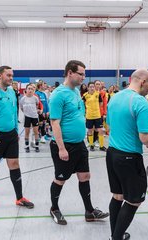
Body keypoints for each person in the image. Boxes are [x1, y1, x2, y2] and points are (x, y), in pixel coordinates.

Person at [48, 60, 109, 225]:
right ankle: (54, 208)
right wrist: (61, 148)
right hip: (64, 145)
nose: (83, 77)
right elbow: (55, 123)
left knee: (84, 176)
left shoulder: (75, 92)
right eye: (80, 74)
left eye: (83, 74)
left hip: (79, 144)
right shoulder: (58, 95)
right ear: (70, 73)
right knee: (60, 179)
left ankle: (89, 212)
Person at [106, 69, 148, 240]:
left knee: (118, 196)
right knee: (134, 200)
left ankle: (115, 234)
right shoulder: (141, 103)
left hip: (112, 154)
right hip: (129, 157)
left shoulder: (114, 98)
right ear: (142, 81)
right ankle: (116, 237)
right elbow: (145, 139)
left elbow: (110, 126)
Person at [0, 66, 34, 208]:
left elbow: (14, 112)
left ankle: (19, 198)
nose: (11, 78)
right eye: (8, 75)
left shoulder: (11, 91)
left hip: (11, 135)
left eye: (12, 75)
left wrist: (16, 131)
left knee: (14, 164)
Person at [82, 81, 107, 151]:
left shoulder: (98, 94)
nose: (92, 88)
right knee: (90, 130)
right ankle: (91, 145)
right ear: (88, 88)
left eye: (93, 87)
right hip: (89, 116)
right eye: (90, 87)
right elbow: (81, 104)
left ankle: (101, 146)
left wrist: (95, 110)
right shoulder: (85, 95)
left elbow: (101, 103)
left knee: (101, 130)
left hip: (97, 116)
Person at [20, 83, 41, 153]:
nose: (30, 90)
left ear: (34, 90)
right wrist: (27, 113)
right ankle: (27, 146)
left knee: (36, 132)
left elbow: (37, 105)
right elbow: (21, 108)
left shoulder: (35, 98)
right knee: (27, 133)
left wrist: (34, 111)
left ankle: (37, 146)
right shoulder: (23, 99)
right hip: (27, 117)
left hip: (34, 117)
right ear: (26, 90)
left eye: (32, 89)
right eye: (29, 88)